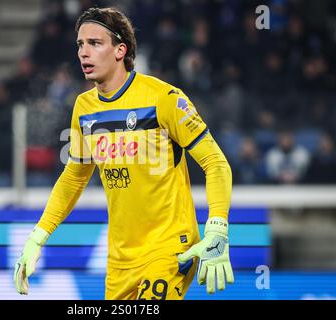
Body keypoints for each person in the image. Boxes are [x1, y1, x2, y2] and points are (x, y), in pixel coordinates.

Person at [14, 7, 234, 300]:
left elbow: (215, 162)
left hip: (169, 248)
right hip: (120, 260)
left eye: (94, 43)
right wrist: (37, 237)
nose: (83, 53)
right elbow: (74, 178)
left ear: (121, 50)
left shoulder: (164, 99)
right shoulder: (84, 107)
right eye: (80, 44)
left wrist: (217, 228)